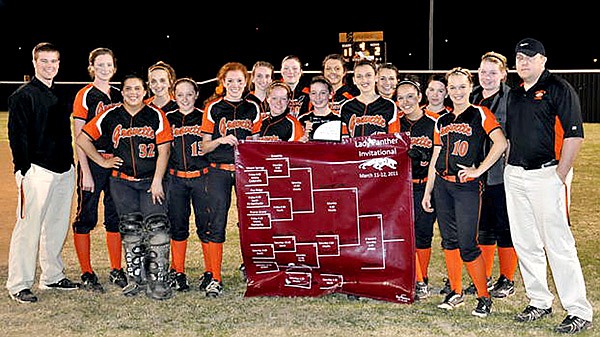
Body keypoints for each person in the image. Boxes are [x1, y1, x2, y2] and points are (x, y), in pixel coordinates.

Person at [505, 38, 593, 334]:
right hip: (515, 175)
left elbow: (574, 134)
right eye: (519, 57)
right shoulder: (515, 94)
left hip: (546, 175)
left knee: (558, 243)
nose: (523, 62)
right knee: (525, 243)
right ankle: (539, 301)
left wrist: (560, 174)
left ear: (543, 59)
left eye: (530, 57)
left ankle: (578, 309)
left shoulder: (558, 88)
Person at [76, 73, 174, 301]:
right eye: (128, 89)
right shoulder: (110, 114)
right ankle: (135, 278)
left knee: (157, 227)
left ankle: (158, 279)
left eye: (137, 89)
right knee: (131, 229)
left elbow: (164, 150)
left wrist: (158, 180)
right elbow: (82, 139)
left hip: (150, 181)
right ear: (122, 92)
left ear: (144, 91)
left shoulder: (155, 115)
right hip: (122, 182)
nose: (133, 93)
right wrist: (101, 161)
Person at [421, 67, 507, 318]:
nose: (457, 92)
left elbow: (500, 142)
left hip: (466, 187)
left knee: (469, 244)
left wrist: (479, 170)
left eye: (462, 86)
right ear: (447, 90)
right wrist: (428, 192)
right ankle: (456, 291)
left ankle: (483, 296)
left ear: (470, 88)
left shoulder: (479, 113)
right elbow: (436, 156)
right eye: (453, 87)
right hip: (442, 186)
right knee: (449, 241)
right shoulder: (442, 120)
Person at [6, 42, 80, 303]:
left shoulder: (60, 95)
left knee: (56, 226)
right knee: (29, 228)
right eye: (44, 61)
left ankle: (52, 276)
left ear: (59, 64)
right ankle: (19, 283)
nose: (50, 66)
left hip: (63, 170)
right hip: (37, 171)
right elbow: (17, 136)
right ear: (35, 63)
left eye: (54, 61)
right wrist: (23, 170)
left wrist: (70, 166)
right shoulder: (22, 96)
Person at [200, 62, 261, 297]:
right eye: (230, 81)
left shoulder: (253, 107)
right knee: (217, 222)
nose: (235, 85)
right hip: (218, 170)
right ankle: (215, 276)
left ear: (246, 82)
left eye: (239, 81)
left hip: (244, 171)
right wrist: (220, 140)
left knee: (251, 222)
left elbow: (255, 144)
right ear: (222, 83)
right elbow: (204, 147)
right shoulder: (213, 107)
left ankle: (253, 269)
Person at [71, 47, 127, 293]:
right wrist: (85, 169)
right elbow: (79, 135)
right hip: (93, 163)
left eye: (109, 65)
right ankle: (86, 272)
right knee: (86, 217)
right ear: (92, 67)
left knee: (114, 217)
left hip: (114, 163)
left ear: (115, 67)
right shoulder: (85, 95)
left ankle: (116, 269)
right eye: (100, 64)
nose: (105, 69)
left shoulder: (119, 94)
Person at [464, 51, 517, 299]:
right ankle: (482, 277)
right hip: (475, 173)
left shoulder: (513, 98)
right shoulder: (471, 97)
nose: (487, 77)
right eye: (483, 72)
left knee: (505, 226)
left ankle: (507, 278)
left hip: (502, 173)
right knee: (483, 227)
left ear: (503, 74)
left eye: (493, 72)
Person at [396, 75, 439, 300]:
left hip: (425, 186)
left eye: (410, 96)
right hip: (401, 188)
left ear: (420, 97)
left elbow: (438, 158)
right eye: (401, 98)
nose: (406, 101)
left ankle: (422, 277)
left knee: (423, 234)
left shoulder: (434, 123)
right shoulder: (395, 124)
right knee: (406, 234)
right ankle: (418, 279)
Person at [165, 78, 209, 292]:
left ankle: (210, 271)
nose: (185, 98)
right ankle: (178, 271)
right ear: (174, 96)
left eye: (189, 94)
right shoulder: (167, 118)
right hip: (176, 179)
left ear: (196, 94)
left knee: (206, 225)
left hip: (202, 177)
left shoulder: (205, 117)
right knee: (178, 225)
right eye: (180, 94)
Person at [340, 60, 400, 138]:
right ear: (354, 80)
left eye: (368, 75)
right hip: (354, 150)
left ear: (376, 77)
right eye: (359, 76)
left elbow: (395, 139)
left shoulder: (389, 105)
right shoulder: (346, 107)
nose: (364, 80)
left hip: (381, 150)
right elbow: (344, 141)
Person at [298, 75, 342, 142]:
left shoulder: (340, 119)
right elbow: (296, 147)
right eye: (313, 93)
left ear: (331, 94)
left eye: (323, 93)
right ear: (309, 95)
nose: (318, 97)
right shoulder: (301, 120)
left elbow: (345, 145)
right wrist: (304, 136)